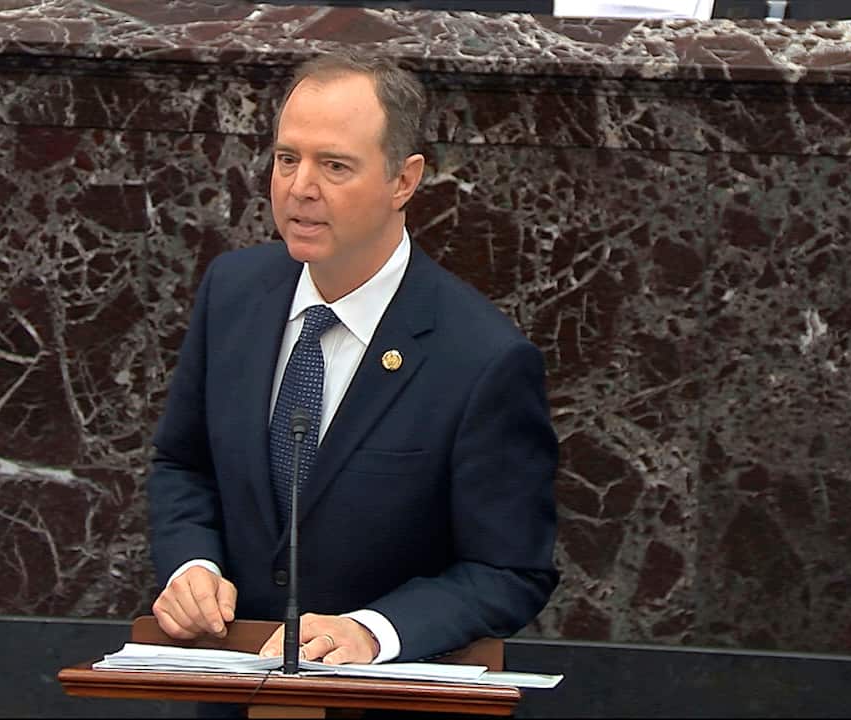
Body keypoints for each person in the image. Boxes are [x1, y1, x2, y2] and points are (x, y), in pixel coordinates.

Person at [147, 49, 559, 668]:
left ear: (404, 180)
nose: (300, 188)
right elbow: (183, 464)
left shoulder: (482, 360)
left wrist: (373, 631)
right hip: (234, 685)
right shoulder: (232, 293)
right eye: (287, 159)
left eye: (334, 166)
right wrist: (192, 563)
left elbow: (509, 569)